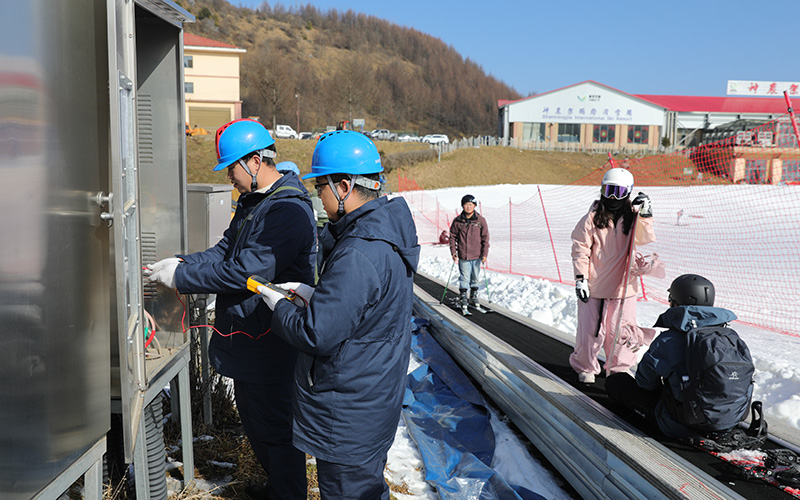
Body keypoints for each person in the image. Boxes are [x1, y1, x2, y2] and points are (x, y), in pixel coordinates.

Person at [147, 119, 315, 500]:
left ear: (256, 162)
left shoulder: (287, 212)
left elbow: (245, 271)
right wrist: (182, 262)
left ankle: (288, 493)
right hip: (251, 337)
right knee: (258, 425)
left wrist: (183, 278)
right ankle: (278, 488)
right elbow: (226, 250)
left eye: (232, 168)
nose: (230, 177)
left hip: (272, 341)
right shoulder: (256, 203)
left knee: (275, 429)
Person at [257, 130, 420, 500]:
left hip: (350, 412)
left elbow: (316, 334)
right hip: (371, 397)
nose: (319, 197)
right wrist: (319, 296)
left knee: (350, 492)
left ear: (344, 186)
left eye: (321, 188)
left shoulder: (360, 252)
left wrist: (279, 306)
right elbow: (363, 311)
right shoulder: (383, 236)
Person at [605, 274, 756, 441]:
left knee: (616, 382)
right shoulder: (730, 337)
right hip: (729, 420)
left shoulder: (670, 339)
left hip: (679, 424)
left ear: (676, 303)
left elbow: (645, 382)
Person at [570, 168, 655, 384]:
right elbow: (580, 248)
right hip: (595, 283)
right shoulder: (591, 218)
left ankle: (619, 368)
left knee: (622, 330)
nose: (613, 197)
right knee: (590, 329)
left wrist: (645, 215)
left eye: (618, 192)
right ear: (601, 190)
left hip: (624, 286)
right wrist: (581, 279)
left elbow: (644, 239)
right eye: (609, 191)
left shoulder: (632, 217)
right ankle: (586, 366)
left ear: (628, 193)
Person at [449, 194, 489, 313]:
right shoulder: (458, 221)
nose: (468, 207)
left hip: (477, 255)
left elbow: (485, 238)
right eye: (466, 205)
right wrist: (453, 252)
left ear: (474, 206)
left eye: (471, 205)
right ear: (462, 206)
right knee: (464, 278)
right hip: (464, 255)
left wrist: (484, 254)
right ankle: (463, 298)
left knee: (475, 277)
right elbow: (452, 237)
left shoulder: (480, 220)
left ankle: (473, 296)